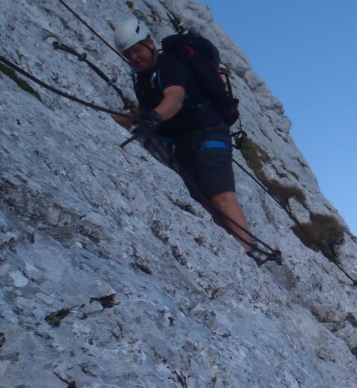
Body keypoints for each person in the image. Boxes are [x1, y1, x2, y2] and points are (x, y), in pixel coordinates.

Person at [112, 17, 264, 263]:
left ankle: (247, 252)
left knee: (221, 197)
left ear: (149, 42)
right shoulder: (144, 79)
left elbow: (174, 99)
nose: (134, 58)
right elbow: (143, 109)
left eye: (136, 50)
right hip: (182, 142)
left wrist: (155, 116)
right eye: (128, 54)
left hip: (208, 133)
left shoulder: (170, 65)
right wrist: (114, 119)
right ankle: (234, 249)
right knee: (205, 202)